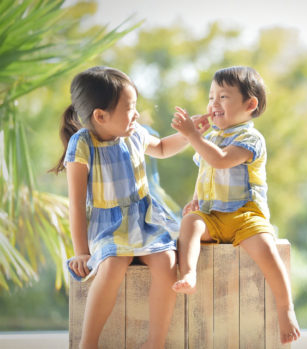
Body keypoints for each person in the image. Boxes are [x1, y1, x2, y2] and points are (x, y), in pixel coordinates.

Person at [49, 66, 209, 349]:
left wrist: (189, 134)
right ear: (100, 116)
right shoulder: (83, 144)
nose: (136, 114)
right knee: (112, 266)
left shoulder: (135, 133)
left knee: (167, 263)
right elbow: (76, 204)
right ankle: (88, 343)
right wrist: (82, 252)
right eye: (129, 107)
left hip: (144, 217)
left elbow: (160, 148)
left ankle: (155, 342)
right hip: (108, 224)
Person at [170, 66, 301, 344]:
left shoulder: (250, 138)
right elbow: (205, 169)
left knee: (267, 253)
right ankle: (190, 274)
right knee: (189, 224)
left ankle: (285, 308)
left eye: (223, 97)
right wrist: (196, 199)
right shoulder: (211, 138)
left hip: (245, 215)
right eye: (211, 97)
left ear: (249, 105)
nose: (213, 104)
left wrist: (193, 136)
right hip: (213, 215)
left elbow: (220, 160)